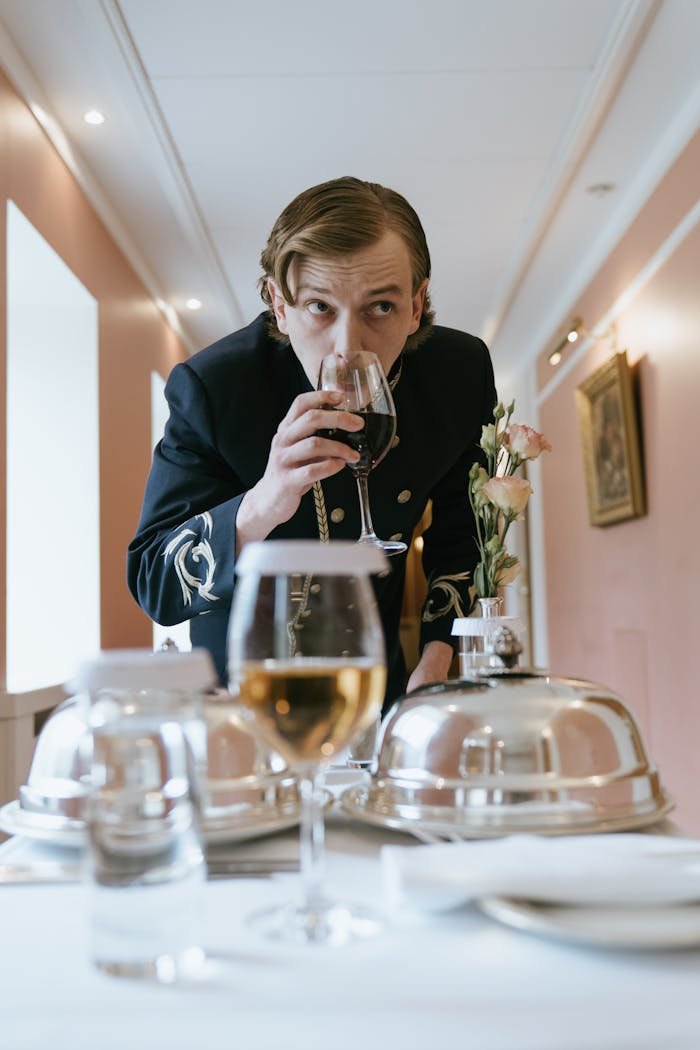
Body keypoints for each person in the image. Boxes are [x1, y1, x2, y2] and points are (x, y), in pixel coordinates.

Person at [127, 176, 497, 708]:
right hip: (241, 698)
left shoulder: (456, 375)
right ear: (280, 304)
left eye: (382, 308)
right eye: (320, 307)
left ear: (417, 306)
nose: (347, 348)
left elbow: (466, 535)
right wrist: (259, 505)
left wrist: (438, 658)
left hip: (378, 684)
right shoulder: (214, 389)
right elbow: (153, 585)